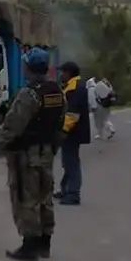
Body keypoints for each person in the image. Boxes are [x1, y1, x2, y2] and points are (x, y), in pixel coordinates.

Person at [0, 47, 66, 261]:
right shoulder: (56, 91)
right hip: (46, 152)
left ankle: (30, 246)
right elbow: (61, 122)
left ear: (29, 68)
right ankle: (45, 242)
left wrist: (2, 144)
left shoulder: (30, 94)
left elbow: (14, 123)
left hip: (27, 153)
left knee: (27, 197)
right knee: (45, 196)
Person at [56, 61, 91, 205]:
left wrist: (63, 130)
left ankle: (73, 194)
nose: (61, 75)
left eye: (62, 72)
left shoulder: (75, 88)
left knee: (71, 163)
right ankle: (65, 189)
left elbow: (72, 114)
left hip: (72, 131)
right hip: (72, 130)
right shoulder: (72, 86)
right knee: (68, 162)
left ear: (69, 73)